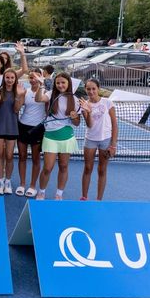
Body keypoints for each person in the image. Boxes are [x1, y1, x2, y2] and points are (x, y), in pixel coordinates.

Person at [35, 72, 86, 200]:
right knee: (47, 168)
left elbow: (77, 123)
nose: (60, 85)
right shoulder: (50, 94)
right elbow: (38, 99)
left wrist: (75, 117)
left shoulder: (74, 99)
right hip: (51, 136)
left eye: (63, 82)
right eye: (58, 83)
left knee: (63, 166)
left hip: (67, 137)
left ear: (68, 83)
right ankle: (41, 191)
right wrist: (41, 86)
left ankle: (59, 194)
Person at [80, 78, 118, 201]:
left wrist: (113, 145)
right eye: (88, 89)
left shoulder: (108, 103)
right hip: (90, 140)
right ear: (85, 90)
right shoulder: (84, 106)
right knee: (87, 168)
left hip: (106, 141)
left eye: (93, 89)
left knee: (102, 169)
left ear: (98, 89)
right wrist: (88, 112)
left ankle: (98, 200)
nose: (91, 91)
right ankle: (84, 197)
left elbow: (114, 125)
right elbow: (89, 125)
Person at [14, 70, 47, 198]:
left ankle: (33, 186)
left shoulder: (46, 92)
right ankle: (22, 184)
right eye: (31, 77)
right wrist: (19, 95)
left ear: (41, 77)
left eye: (37, 77)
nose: (33, 80)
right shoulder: (25, 91)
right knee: (22, 156)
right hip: (23, 126)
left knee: (35, 158)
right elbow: (16, 108)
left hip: (38, 128)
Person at [0, 69, 20, 195]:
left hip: (12, 128)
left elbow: (16, 109)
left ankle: (8, 181)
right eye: (7, 77)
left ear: (15, 79)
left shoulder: (18, 92)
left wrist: (19, 96)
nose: (9, 80)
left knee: (9, 156)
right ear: (4, 79)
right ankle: (0, 181)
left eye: (12, 78)